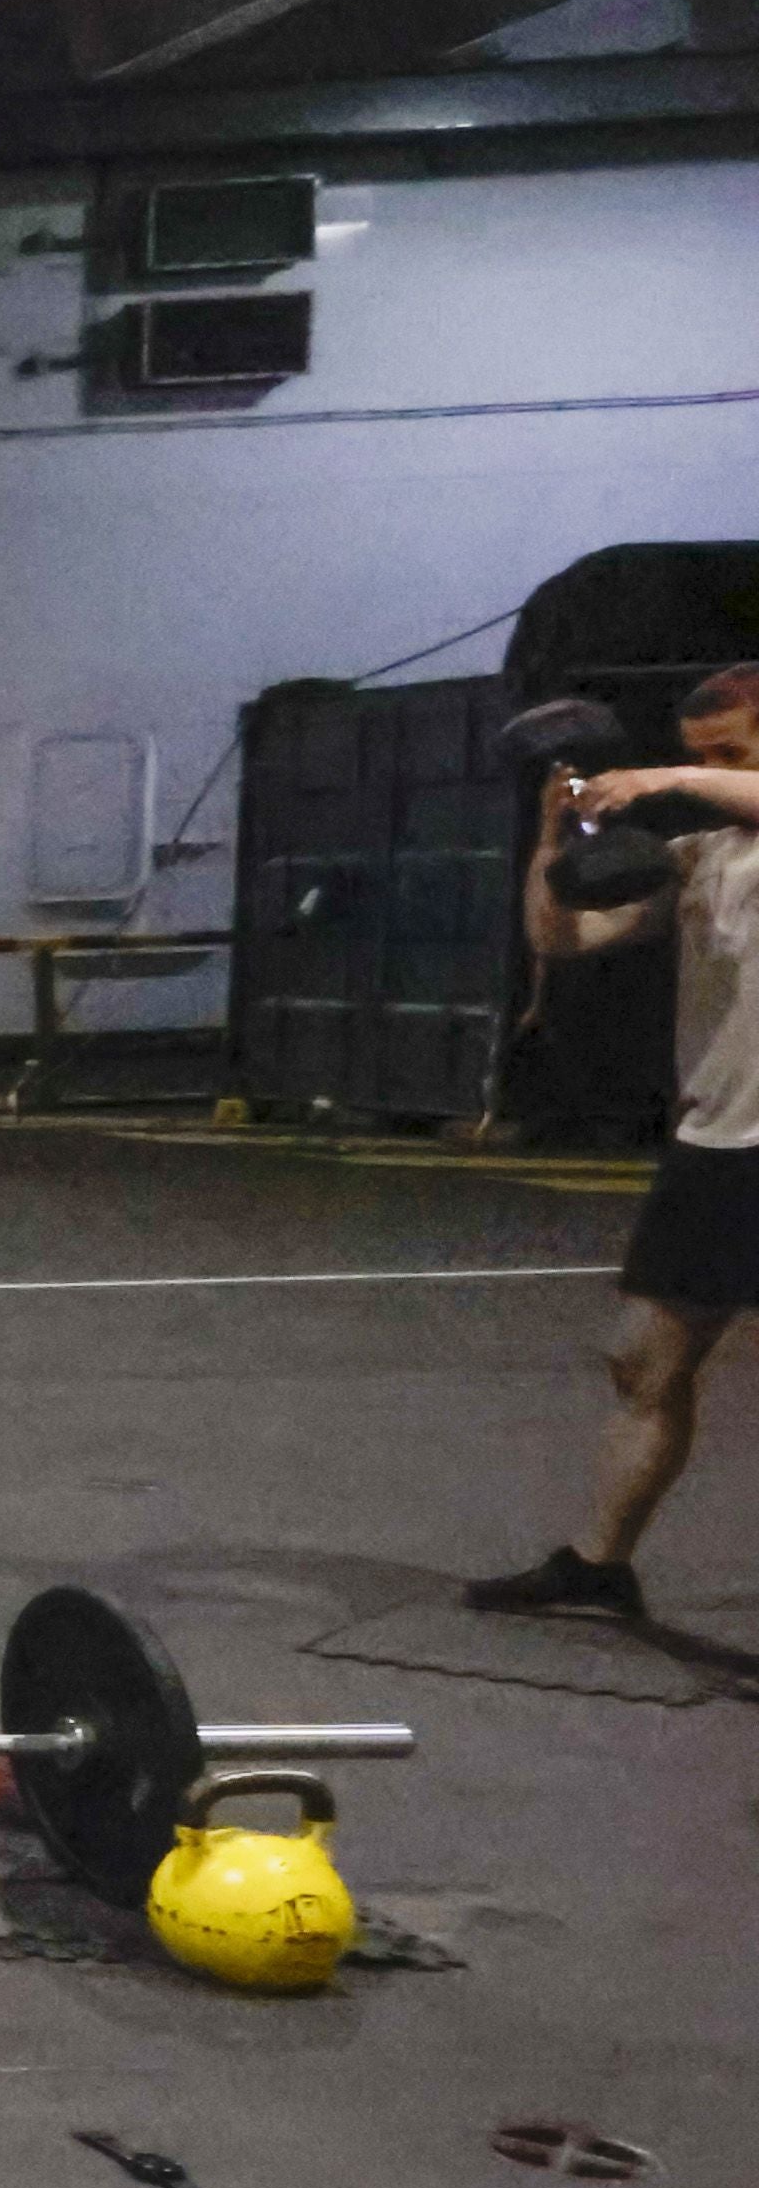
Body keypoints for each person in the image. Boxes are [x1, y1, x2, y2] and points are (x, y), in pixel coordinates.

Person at [472, 661, 759, 1620]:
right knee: (645, 1362)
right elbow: (565, 940)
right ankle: (601, 1566)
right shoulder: (701, 859)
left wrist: (657, 782)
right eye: (695, 754)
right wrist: (556, 837)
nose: (704, 768)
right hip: (717, 1145)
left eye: (731, 753)